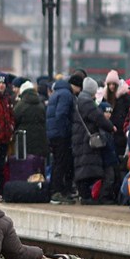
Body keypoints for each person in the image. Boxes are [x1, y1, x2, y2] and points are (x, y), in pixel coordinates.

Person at [72, 77, 116, 204]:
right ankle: (86, 196)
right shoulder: (87, 102)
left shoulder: (79, 99)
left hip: (79, 137)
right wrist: (110, 127)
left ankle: (85, 195)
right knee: (86, 167)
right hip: (85, 139)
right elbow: (98, 117)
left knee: (83, 166)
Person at [47, 73, 81, 204]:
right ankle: (57, 192)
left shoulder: (58, 92)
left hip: (53, 133)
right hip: (60, 135)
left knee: (57, 162)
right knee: (61, 163)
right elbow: (61, 114)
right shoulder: (67, 95)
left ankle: (57, 190)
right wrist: (67, 131)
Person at [13, 80, 48, 158]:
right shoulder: (41, 104)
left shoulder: (20, 105)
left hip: (25, 142)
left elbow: (14, 120)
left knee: (26, 165)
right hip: (40, 141)